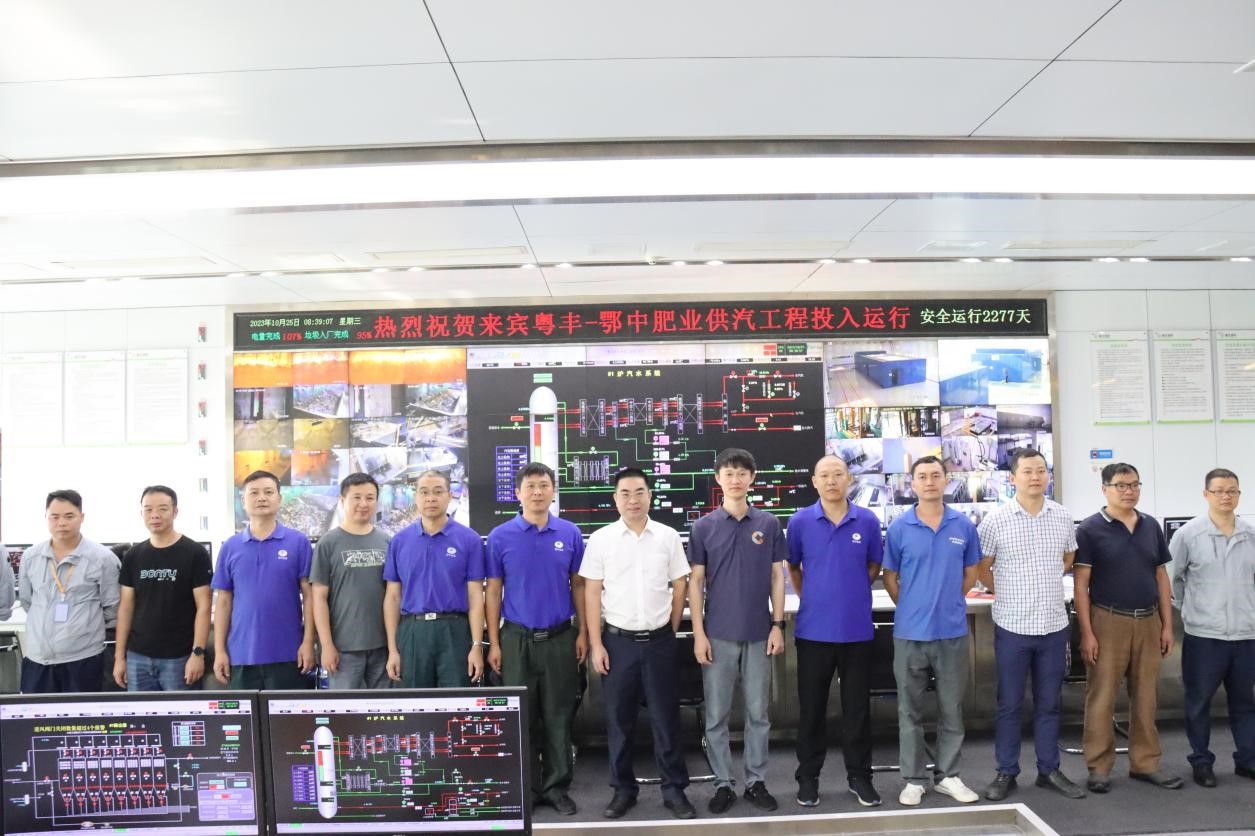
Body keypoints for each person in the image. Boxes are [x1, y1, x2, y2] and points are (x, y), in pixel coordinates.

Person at [581, 468, 696, 820]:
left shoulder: (667, 536)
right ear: (615, 499)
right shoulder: (601, 539)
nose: (633, 500)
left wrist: (670, 629)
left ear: (650, 496)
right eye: (626, 493)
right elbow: (592, 593)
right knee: (619, 720)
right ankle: (622, 790)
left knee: (666, 718)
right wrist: (597, 644)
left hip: (660, 641)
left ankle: (674, 790)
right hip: (618, 644)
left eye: (639, 492)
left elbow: (680, 585)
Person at [975, 449, 1085, 800]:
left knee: (1050, 704)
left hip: (1053, 625)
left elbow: (1068, 557)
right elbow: (981, 568)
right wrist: (1007, 590)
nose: (1035, 477)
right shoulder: (995, 520)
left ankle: (1049, 770)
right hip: (1013, 626)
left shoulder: (1062, 516)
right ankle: (1006, 772)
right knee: (1009, 704)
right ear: (1012, 478)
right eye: (1027, 471)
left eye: (1041, 470)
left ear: (1048, 476)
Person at [688, 447, 787, 815]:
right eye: (728, 473)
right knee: (716, 716)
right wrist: (699, 634)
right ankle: (723, 784)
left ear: (752, 479)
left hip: (760, 633)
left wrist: (778, 625)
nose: (735, 479)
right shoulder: (703, 527)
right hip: (717, 634)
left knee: (758, 713)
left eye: (742, 473)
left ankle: (755, 781)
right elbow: (696, 582)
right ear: (718, 479)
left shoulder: (769, 524)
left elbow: (777, 577)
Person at [1074, 462, 1183, 792]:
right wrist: (1087, 633)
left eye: (1134, 485)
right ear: (1105, 489)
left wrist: (1166, 625)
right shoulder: (1089, 529)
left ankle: (1145, 763)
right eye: (1121, 485)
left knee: (1147, 696)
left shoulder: (1150, 526)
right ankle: (1099, 767)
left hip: (1148, 621)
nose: (1129, 491)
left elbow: (1161, 577)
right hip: (1108, 621)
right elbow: (1081, 585)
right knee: (1101, 697)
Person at [486, 462, 587, 815]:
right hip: (516, 639)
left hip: (560, 637)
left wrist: (583, 632)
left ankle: (557, 787)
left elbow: (578, 585)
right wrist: (494, 643)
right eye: (530, 486)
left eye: (544, 485)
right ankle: (527, 788)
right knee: (521, 717)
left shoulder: (570, 533)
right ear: (518, 493)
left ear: (553, 491)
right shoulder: (500, 537)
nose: (538, 492)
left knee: (559, 715)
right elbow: (493, 591)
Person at [883, 456, 981, 807]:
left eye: (935, 476)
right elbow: (890, 577)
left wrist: (949, 601)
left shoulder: (963, 526)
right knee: (909, 710)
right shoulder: (900, 528)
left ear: (945, 481)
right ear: (912, 484)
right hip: (910, 633)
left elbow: (971, 573)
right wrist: (911, 605)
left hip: (951, 631)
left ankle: (948, 776)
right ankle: (913, 779)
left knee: (951, 708)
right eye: (922, 476)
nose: (929, 482)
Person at [786, 454, 883, 808]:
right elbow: (793, 568)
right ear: (814, 481)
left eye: (838, 474)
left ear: (849, 479)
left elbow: (873, 566)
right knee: (812, 710)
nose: (831, 481)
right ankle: (808, 778)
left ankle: (860, 776)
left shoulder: (867, 520)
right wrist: (814, 596)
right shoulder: (799, 522)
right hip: (813, 632)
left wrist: (850, 592)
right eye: (824, 475)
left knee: (857, 710)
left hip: (857, 631)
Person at [1168, 467, 1255, 787]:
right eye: (1219, 491)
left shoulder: (1250, 534)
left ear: (1239, 495)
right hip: (1205, 636)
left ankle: (1247, 760)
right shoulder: (1188, 535)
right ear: (1206, 494)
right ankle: (1201, 761)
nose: (1226, 496)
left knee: (1245, 703)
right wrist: (1191, 609)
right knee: (1199, 702)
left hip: (1246, 635)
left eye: (1232, 491)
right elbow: (1171, 579)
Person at [212, 470, 315, 689]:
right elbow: (223, 601)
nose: (261, 498)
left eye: (268, 492)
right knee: (243, 713)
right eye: (254, 493)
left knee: (289, 713)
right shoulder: (230, 547)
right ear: (243, 500)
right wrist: (220, 651)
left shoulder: (298, 542)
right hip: (241, 655)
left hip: (289, 654)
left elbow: (310, 597)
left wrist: (308, 642)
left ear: (279, 498)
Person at [383, 469, 485, 688]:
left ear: (450, 495)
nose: (431, 498)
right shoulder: (399, 541)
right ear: (416, 497)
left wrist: (477, 645)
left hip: (455, 631)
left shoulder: (470, 540)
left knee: (457, 701)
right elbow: (392, 597)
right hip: (413, 632)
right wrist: (392, 649)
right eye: (424, 492)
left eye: (438, 492)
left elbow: (475, 596)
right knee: (413, 703)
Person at [17, 489, 120, 693]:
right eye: (54, 517)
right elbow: (28, 601)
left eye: (69, 516)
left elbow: (113, 609)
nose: (61, 523)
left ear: (82, 517)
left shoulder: (102, 559)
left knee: (81, 713)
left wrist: (82, 625)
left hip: (83, 659)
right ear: (46, 518)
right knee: (36, 713)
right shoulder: (31, 557)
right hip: (38, 659)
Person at [113, 486, 212, 691]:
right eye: (148, 509)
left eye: (162, 509)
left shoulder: (195, 553)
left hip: (179, 658)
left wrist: (198, 653)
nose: (155, 515)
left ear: (175, 511)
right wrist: (119, 657)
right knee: (140, 712)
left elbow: (204, 607)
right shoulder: (134, 555)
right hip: (137, 657)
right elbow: (126, 608)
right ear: (141, 513)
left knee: (182, 712)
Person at [312, 472, 391, 690]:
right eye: (356, 497)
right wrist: (326, 645)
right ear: (342, 500)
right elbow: (318, 598)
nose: (363, 503)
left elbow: (394, 595)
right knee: (345, 709)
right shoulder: (328, 543)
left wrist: (394, 647)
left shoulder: (386, 541)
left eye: (370, 497)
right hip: (343, 649)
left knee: (384, 707)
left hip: (383, 647)